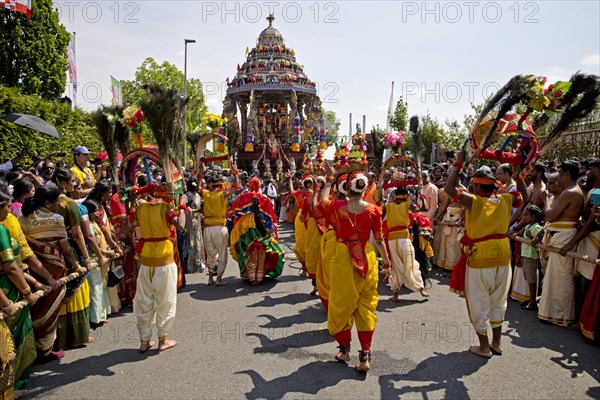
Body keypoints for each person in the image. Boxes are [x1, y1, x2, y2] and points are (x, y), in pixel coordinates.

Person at [445, 149, 525, 358]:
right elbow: (522, 196)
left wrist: (458, 163)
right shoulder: (506, 199)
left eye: (474, 185)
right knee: (498, 301)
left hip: (481, 257)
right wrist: (521, 173)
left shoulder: (475, 201)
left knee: (478, 301)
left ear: (478, 186)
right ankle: (497, 343)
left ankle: (484, 347)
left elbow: (449, 188)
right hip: (502, 254)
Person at [321, 168, 391, 373]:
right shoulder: (374, 210)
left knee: (341, 304)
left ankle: (344, 350)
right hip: (367, 259)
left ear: (346, 188)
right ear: (365, 188)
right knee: (366, 306)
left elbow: (322, 201)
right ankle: (365, 357)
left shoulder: (336, 206)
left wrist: (328, 180)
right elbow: (379, 239)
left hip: (343, 259)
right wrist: (387, 263)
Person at [20, 185, 86, 361]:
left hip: (32, 271)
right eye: (56, 201)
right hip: (53, 270)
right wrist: (77, 266)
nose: (59, 204)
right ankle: (45, 350)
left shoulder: (22, 218)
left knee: (37, 308)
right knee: (50, 309)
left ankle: (36, 349)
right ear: (48, 203)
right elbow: (65, 249)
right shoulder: (55, 218)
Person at [133, 184, 187, 352]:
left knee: (144, 301)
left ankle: (144, 341)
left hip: (146, 259)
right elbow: (181, 225)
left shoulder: (140, 208)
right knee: (165, 300)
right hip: (163, 259)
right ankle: (162, 340)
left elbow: (129, 228)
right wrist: (183, 206)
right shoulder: (165, 207)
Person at [534, 160, 584, 327]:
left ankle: (562, 315)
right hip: (560, 233)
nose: (557, 177)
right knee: (555, 276)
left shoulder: (571, 192)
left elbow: (550, 216)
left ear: (567, 175)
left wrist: (545, 199)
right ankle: (553, 313)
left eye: (560, 174)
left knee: (561, 276)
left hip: (564, 235)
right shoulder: (570, 191)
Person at [52, 168, 97, 348]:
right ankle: (78, 336)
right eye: (72, 181)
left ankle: (60, 338)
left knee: (62, 290)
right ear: (62, 183)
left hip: (54, 252)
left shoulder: (48, 202)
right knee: (77, 289)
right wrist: (86, 258)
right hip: (71, 249)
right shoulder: (69, 203)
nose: (75, 184)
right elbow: (79, 234)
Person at [0, 188, 38, 395]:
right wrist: (26, 291)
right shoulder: (0, 230)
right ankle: (13, 385)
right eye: (6, 207)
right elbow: (11, 267)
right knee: (12, 340)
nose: (9, 211)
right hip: (9, 290)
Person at [227, 177, 284, 284]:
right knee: (261, 254)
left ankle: (252, 277)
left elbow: (232, 215)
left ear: (249, 185)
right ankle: (259, 277)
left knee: (249, 255)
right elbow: (272, 220)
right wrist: (273, 234)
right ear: (259, 185)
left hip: (246, 231)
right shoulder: (265, 199)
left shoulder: (243, 197)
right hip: (262, 231)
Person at [384, 187, 429, 301]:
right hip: (404, 239)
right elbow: (424, 208)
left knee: (396, 266)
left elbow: (380, 215)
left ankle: (395, 295)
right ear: (406, 196)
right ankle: (421, 289)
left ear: (395, 196)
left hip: (392, 239)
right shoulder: (408, 204)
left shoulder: (388, 206)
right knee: (410, 263)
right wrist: (422, 198)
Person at [201, 170, 239, 286]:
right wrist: (235, 171)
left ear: (210, 185)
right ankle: (218, 279)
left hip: (207, 228)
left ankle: (210, 279)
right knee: (222, 253)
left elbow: (198, 186)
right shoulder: (222, 194)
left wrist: (199, 172)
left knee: (210, 253)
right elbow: (236, 187)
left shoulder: (205, 193)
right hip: (219, 227)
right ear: (219, 185)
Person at [82, 199, 115, 326]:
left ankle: (102, 314)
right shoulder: (88, 226)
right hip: (94, 259)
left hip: (101, 259)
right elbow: (91, 244)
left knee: (101, 287)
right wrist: (105, 253)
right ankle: (95, 317)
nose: (98, 213)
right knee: (95, 288)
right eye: (95, 211)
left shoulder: (93, 223)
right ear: (88, 213)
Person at [516, 205, 544, 311]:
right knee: (528, 278)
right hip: (525, 255)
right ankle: (531, 299)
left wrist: (532, 237)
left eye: (526, 215)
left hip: (531, 256)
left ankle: (533, 302)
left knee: (532, 280)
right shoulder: (528, 226)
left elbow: (538, 241)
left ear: (533, 217)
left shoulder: (536, 227)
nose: (524, 217)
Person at [290, 173, 314, 276]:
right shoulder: (313, 194)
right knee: (311, 242)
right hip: (311, 218)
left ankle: (304, 267)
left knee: (301, 242)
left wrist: (290, 179)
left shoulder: (299, 193)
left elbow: (291, 191)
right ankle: (312, 268)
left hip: (300, 218)